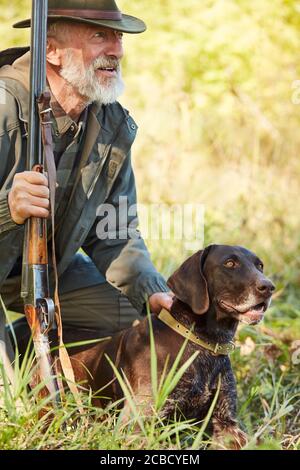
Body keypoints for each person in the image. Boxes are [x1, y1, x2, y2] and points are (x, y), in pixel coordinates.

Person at [0, 0, 173, 357]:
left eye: (118, 37)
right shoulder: (3, 108)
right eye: (100, 36)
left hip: (48, 270)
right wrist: (7, 209)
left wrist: (151, 290)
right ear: (51, 49)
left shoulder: (110, 124)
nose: (117, 50)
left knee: (132, 325)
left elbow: (116, 230)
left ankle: (23, 347)